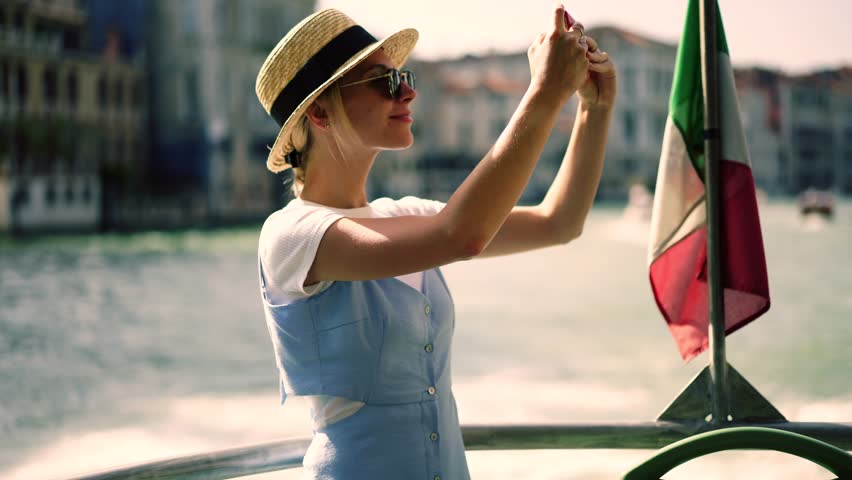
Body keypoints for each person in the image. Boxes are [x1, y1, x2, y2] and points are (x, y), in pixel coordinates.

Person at [254, 6, 615, 479]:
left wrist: (596, 107)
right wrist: (545, 91)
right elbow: (462, 234)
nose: (409, 91)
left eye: (403, 76)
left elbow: (558, 221)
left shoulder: (406, 215)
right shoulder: (291, 235)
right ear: (320, 111)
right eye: (384, 82)